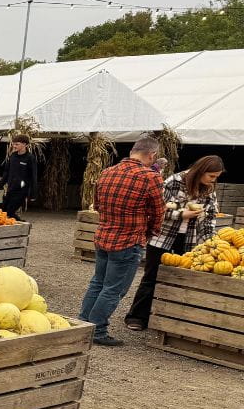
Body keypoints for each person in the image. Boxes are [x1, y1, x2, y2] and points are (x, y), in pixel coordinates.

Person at [78, 137, 165, 347]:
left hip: (103, 237)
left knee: (98, 283)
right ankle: (98, 330)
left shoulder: (107, 172)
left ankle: (82, 324)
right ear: (152, 155)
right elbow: (158, 213)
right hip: (128, 241)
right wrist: (149, 233)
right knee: (113, 289)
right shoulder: (150, 177)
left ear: (133, 150)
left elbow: (98, 205)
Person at [124, 156, 224, 330]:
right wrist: (181, 214)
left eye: (216, 177)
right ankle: (137, 317)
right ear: (201, 171)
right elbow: (156, 208)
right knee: (152, 276)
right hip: (162, 237)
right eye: (212, 176)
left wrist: (209, 243)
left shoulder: (209, 189)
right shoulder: (174, 181)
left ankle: (166, 318)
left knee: (179, 278)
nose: (213, 180)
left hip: (189, 239)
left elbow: (210, 217)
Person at [0, 133, 37, 220]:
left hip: (21, 190)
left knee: (10, 211)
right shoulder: (13, 156)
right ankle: (20, 223)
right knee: (3, 211)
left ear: (25, 144)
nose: (14, 146)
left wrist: (33, 194)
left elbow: (33, 176)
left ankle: (22, 223)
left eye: (17, 144)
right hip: (10, 189)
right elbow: (6, 172)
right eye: (13, 144)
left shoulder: (30, 158)